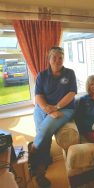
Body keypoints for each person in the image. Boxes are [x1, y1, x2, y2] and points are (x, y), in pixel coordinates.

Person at [28, 46, 77, 187]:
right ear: (49, 59)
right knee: (44, 134)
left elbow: (72, 93)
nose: (57, 60)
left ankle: (35, 163)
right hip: (43, 108)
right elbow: (38, 96)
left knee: (43, 132)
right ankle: (43, 162)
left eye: (60, 57)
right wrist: (47, 109)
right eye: (54, 57)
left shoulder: (69, 73)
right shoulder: (42, 75)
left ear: (63, 59)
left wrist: (56, 108)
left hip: (64, 109)